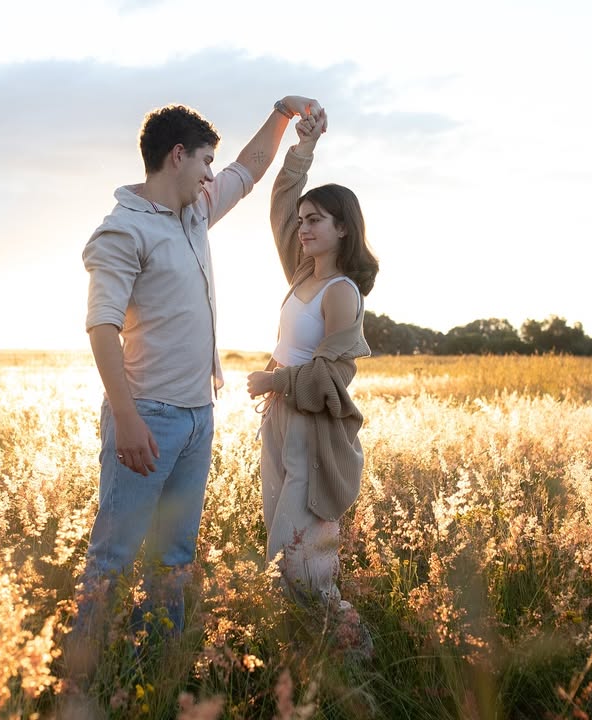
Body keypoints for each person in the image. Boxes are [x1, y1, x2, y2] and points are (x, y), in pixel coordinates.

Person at [75, 97, 323, 648]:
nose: (213, 173)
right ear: (178, 156)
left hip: (196, 419)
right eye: (206, 161)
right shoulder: (121, 231)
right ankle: (84, 674)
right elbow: (101, 327)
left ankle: (156, 668)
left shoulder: (194, 212)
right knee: (113, 558)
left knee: (174, 557)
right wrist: (127, 418)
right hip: (147, 417)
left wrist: (283, 114)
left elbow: (251, 167)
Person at [245, 109, 379, 655]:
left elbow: (332, 377)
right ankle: (307, 653)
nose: (302, 228)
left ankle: (356, 654)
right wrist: (303, 145)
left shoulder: (342, 291)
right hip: (277, 419)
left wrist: (273, 382)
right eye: (302, 221)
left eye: (315, 220)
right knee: (280, 545)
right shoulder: (302, 272)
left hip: (310, 427)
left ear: (342, 227)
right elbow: (280, 200)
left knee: (302, 552)